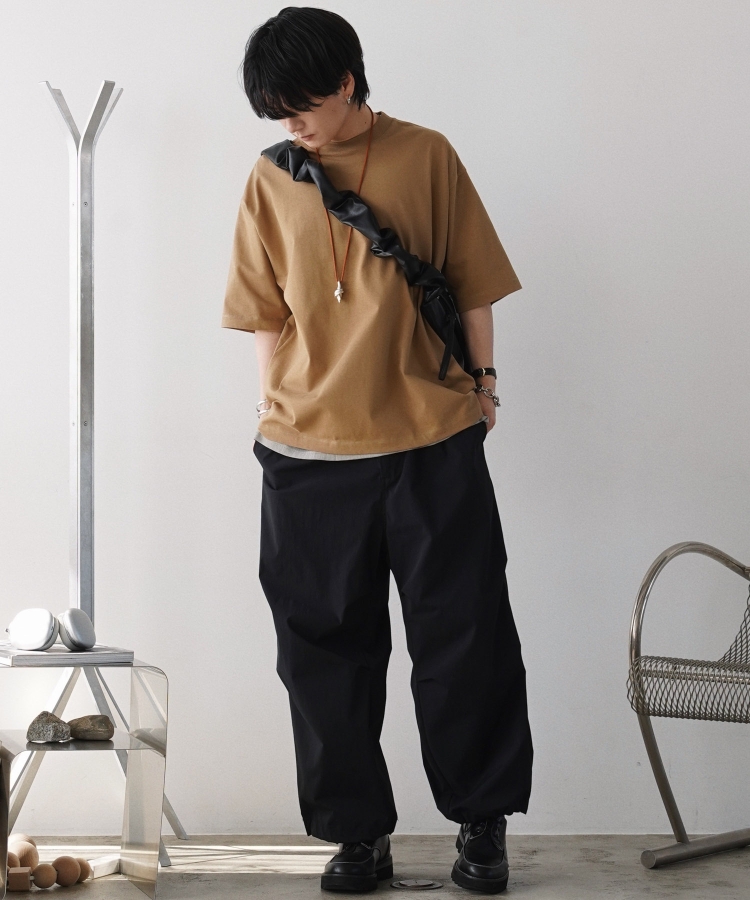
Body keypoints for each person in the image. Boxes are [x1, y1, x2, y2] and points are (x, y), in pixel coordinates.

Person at [222, 7, 533, 894]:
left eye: (301, 106)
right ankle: (355, 834)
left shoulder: (426, 154)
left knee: (466, 635)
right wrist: (271, 400)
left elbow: (473, 282)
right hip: (307, 455)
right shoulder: (270, 177)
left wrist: (485, 383)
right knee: (320, 651)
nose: (291, 125)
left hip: (431, 438)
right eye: (276, 112)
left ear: (347, 81)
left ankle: (482, 823)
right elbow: (263, 308)